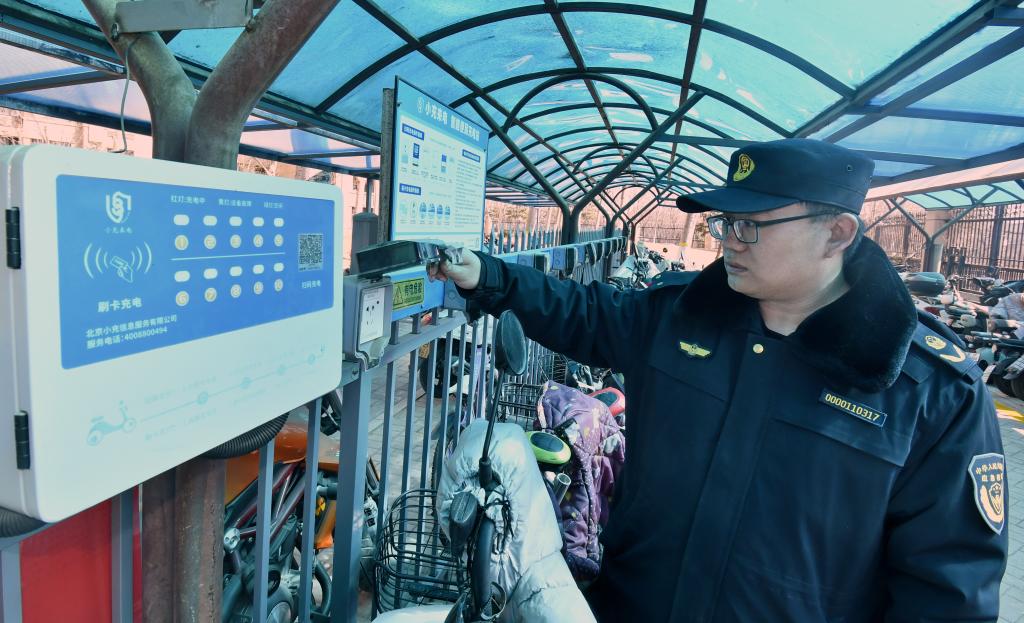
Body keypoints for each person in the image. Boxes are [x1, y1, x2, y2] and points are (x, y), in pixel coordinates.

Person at [429, 138, 1007, 622]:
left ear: (836, 233)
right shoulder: (679, 316)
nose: (727, 239)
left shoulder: (929, 392)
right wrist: (492, 276)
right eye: (726, 221)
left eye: (750, 225)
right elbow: (583, 312)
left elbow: (947, 593)